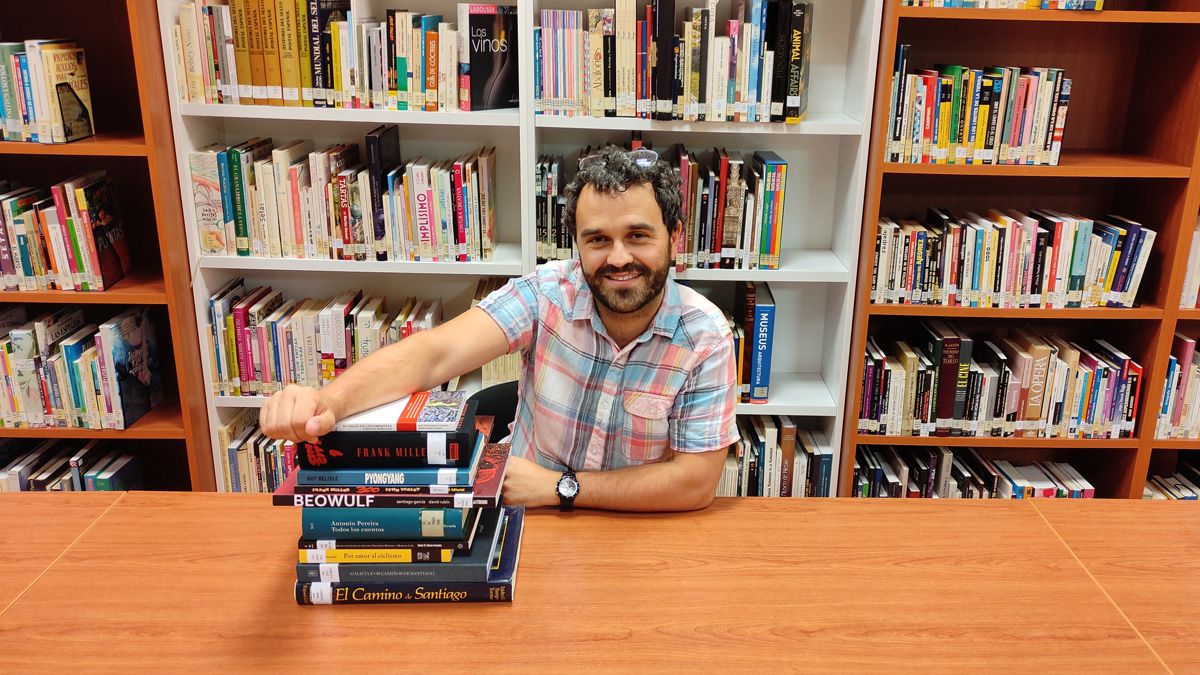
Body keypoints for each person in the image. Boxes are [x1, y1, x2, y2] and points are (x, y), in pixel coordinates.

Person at [259, 146, 739, 512]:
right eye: (597, 239)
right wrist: (328, 402)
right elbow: (436, 352)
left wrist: (560, 488)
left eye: (637, 235)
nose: (617, 258)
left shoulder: (705, 337)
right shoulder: (547, 293)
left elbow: (696, 482)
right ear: (576, 245)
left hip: (634, 528)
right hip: (529, 521)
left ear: (674, 238)